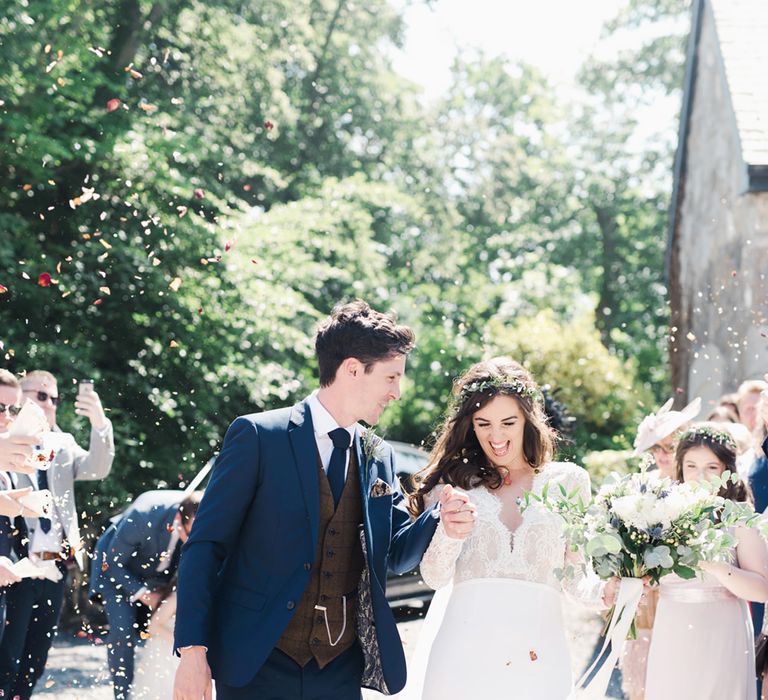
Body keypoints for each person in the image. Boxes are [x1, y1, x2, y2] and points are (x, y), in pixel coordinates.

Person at [173, 300, 443, 700]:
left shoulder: (378, 454)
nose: (397, 393)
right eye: (391, 377)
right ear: (353, 369)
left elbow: (397, 557)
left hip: (338, 668)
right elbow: (205, 546)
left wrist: (438, 511)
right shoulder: (259, 436)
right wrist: (193, 651)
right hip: (255, 661)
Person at [402, 357, 615, 700]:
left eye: (508, 422)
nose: (496, 436)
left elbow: (576, 578)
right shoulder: (453, 484)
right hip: (463, 657)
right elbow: (435, 577)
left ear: (528, 420)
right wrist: (450, 534)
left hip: (540, 658)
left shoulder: (569, 481)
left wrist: (606, 593)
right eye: (483, 423)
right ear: (469, 424)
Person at [0, 370, 115, 700]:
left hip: (54, 567)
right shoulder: (7, 441)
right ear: (20, 400)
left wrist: (100, 423)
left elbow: (97, 467)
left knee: (36, 659)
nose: (49, 404)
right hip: (16, 565)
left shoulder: (62, 444)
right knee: (7, 656)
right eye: (41, 396)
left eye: (55, 398)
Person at [644, 423, 768, 700]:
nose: (700, 476)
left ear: (726, 470)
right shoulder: (660, 516)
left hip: (722, 632)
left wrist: (714, 565)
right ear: (680, 469)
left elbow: (761, 590)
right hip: (671, 628)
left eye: (711, 467)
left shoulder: (739, 518)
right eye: (691, 466)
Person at [90, 490, 202, 700]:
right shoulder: (143, 517)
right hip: (116, 572)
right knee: (123, 632)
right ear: (179, 519)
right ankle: (122, 695)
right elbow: (112, 563)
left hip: (157, 576)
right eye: (193, 529)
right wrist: (143, 593)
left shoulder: (196, 518)